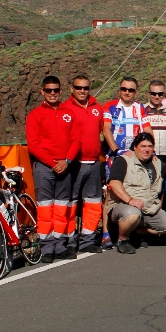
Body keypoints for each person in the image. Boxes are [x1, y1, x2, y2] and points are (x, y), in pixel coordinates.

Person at [26, 75, 82, 262]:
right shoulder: (35, 115)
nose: (52, 93)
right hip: (45, 167)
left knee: (61, 208)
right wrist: (52, 163)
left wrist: (66, 161)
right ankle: (46, 248)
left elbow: (76, 140)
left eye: (55, 90)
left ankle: (60, 246)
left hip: (65, 165)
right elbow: (33, 145)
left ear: (61, 91)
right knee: (45, 209)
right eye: (48, 90)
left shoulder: (70, 113)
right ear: (42, 91)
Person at [106, 133, 166, 254]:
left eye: (150, 146)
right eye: (143, 146)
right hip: (123, 205)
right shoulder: (123, 160)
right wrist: (130, 201)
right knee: (132, 214)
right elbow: (114, 184)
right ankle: (123, 240)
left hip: (148, 207)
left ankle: (136, 231)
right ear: (135, 147)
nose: (147, 149)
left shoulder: (156, 162)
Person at [63, 74, 104, 254]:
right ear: (71, 89)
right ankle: (70, 240)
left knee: (93, 203)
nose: (82, 91)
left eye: (85, 88)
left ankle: (87, 239)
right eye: (78, 88)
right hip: (74, 163)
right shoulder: (65, 108)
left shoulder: (97, 108)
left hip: (94, 162)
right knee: (70, 204)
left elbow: (105, 132)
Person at [103, 76, 152, 174]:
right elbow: (106, 129)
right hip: (115, 155)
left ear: (136, 92)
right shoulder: (110, 106)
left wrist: (151, 150)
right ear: (119, 91)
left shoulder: (140, 107)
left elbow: (148, 131)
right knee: (113, 186)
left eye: (131, 90)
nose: (127, 92)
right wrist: (117, 151)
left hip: (136, 156)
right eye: (123, 89)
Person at [144, 80, 166, 169]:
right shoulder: (143, 109)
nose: (157, 97)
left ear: (163, 94)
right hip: (148, 152)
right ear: (149, 94)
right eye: (153, 93)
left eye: (160, 94)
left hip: (164, 152)